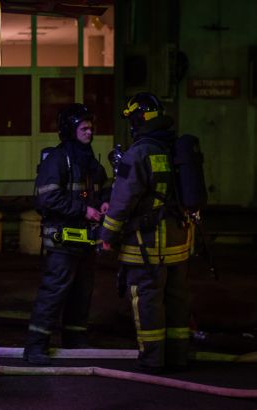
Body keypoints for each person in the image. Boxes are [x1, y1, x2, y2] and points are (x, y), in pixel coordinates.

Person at [100, 92, 193, 374]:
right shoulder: (175, 147)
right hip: (179, 241)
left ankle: (152, 361)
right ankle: (178, 357)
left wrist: (107, 236)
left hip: (148, 245)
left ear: (137, 120)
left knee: (148, 300)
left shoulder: (139, 153)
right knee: (176, 300)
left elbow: (122, 200)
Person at [24, 103, 110, 365]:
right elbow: (47, 198)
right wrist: (84, 210)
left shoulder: (90, 162)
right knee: (53, 293)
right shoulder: (58, 160)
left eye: (91, 128)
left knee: (81, 294)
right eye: (84, 128)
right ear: (70, 130)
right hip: (62, 243)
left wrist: (104, 201)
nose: (89, 132)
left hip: (85, 242)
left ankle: (75, 342)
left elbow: (101, 187)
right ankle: (36, 347)